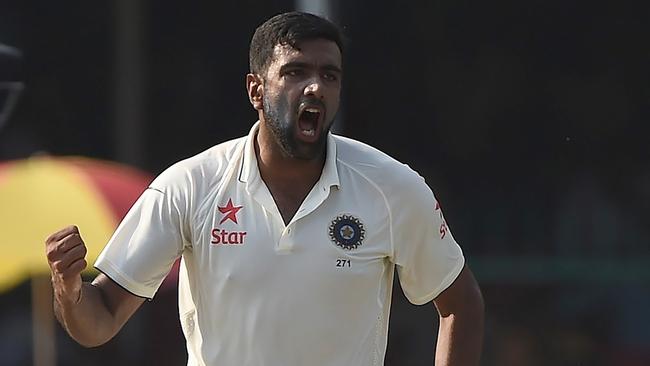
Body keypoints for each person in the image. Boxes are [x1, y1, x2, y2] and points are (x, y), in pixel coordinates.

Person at [45, 11, 484, 366]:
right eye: (295, 71)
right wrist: (68, 289)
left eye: (330, 75)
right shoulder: (190, 186)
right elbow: (98, 321)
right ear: (256, 89)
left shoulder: (391, 187)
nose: (315, 86)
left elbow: (460, 303)